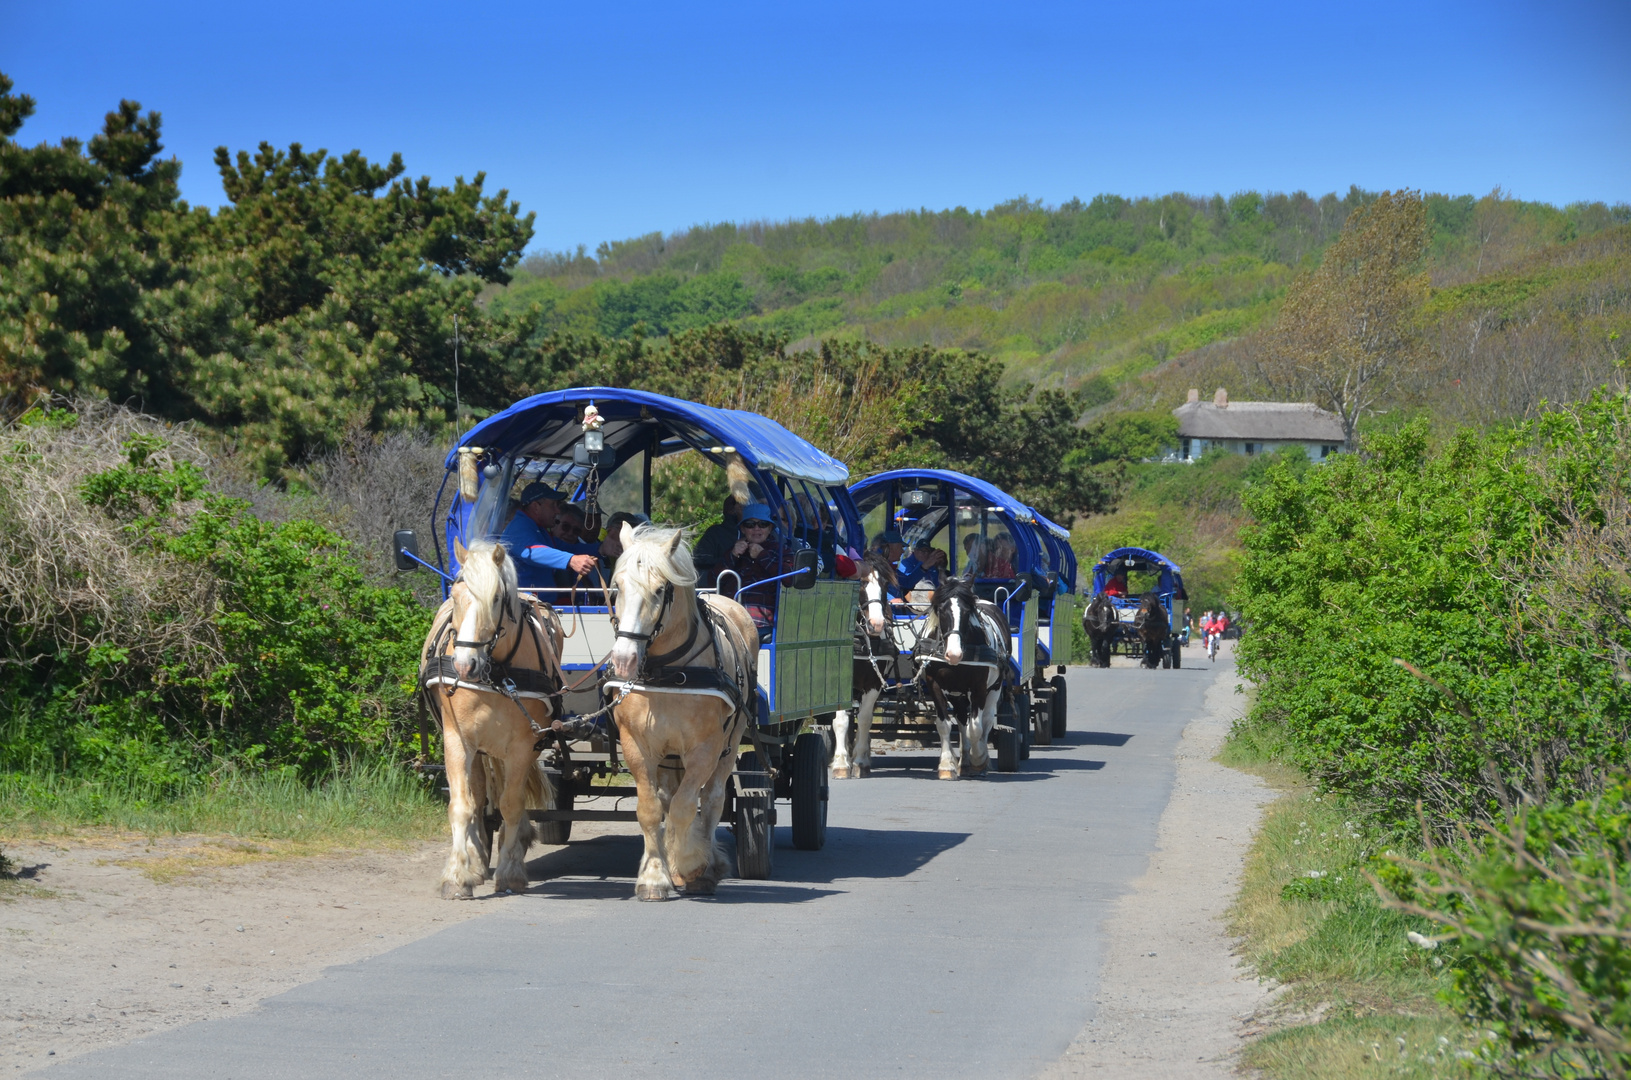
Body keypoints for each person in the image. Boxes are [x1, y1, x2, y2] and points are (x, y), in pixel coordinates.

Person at [722, 503, 802, 643]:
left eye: (763, 524)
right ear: (742, 528)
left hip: (762, 622)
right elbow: (713, 580)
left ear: (770, 528)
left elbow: (789, 579)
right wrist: (733, 555)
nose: (756, 528)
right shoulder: (733, 551)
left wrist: (762, 556)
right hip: (730, 618)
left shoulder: (782, 551)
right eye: (750, 524)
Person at [499, 483, 601, 589]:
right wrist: (571, 560)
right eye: (553, 505)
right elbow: (531, 551)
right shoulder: (520, 525)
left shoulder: (538, 529)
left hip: (538, 602)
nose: (557, 510)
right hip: (525, 602)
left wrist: (601, 549)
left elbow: (569, 548)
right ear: (536, 506)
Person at [691, 496, 742, 574]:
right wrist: (730, 556)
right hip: (722, 581)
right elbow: (699, 559)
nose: (756, 528)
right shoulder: (716, 533)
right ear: (732, 510)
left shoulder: (761, 532)